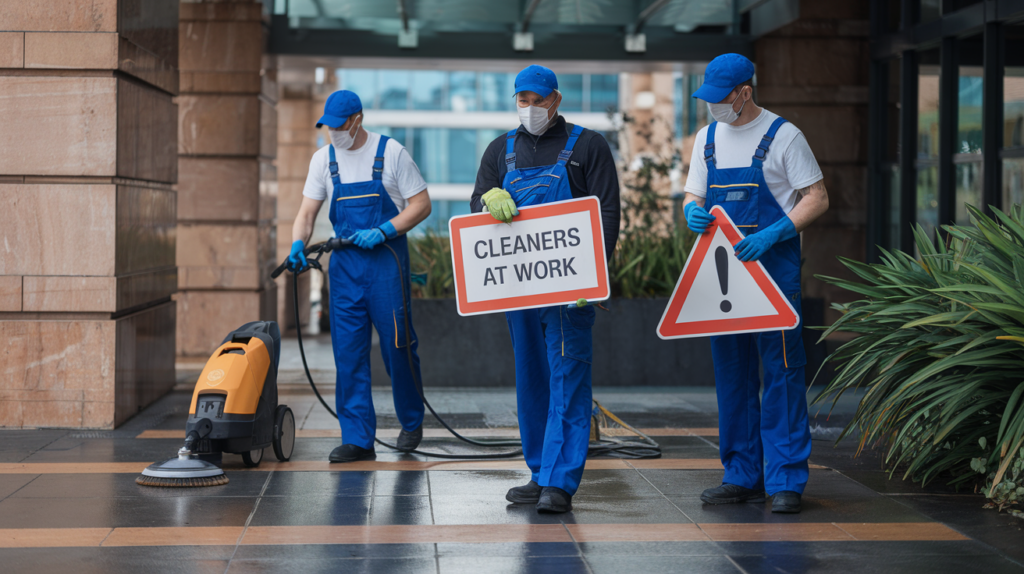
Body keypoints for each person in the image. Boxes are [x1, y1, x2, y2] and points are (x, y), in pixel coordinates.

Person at [683, 54, 830, 513]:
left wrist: (775, 232)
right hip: (724, 281)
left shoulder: (784, 136)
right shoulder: (706, 138)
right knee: (733, 377)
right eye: (707, 98)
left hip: (774, 277)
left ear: (745, 92)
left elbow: (817, 197)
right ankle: (741, 475)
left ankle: (785, 480)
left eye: (720, 98)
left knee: (783, 375)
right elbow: (694, 193)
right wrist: (690, 209)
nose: (713, 107)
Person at [471, 65, 621, 513]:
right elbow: (477, 200)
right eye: (523, 99)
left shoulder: (588, 145)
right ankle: (539, 472)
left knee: (568, 378)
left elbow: (607, 213)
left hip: (569, 289)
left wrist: (595, 275)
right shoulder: (500, 150)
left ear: (555, 99)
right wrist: (486, 200)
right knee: (531, 380)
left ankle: (560, 480)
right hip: (519, 289)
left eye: (538, 100)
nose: (530, 108)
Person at [288, 90, 432, 463]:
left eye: (339, 126)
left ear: (357, 120)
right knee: (348, 354)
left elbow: (421, 205)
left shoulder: (392, 152)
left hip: (386, 263)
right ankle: (357, 438)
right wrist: (296, 243)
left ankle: (412, 421)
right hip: (346, 270)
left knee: (398, 347)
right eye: (328, 126)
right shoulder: (323, 160)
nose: (333, 132)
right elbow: (306, 213)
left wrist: (384, 229)